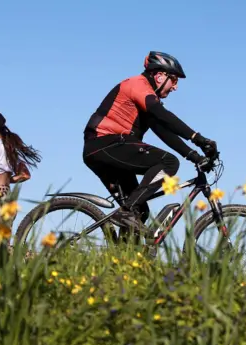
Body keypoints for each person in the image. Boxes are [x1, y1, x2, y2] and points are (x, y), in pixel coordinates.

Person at [82, 51, 218, 241]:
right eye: (174, 80)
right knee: (169, 163)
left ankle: (121, 260)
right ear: (160, 75)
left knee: (140, 212)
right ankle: (127, 211)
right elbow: (163, 115)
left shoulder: (145, 97)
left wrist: (196, 156)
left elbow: (163, 131)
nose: (175, 87)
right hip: (106, 144)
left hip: (105, 150)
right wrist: (197, 138)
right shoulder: (138, 85)